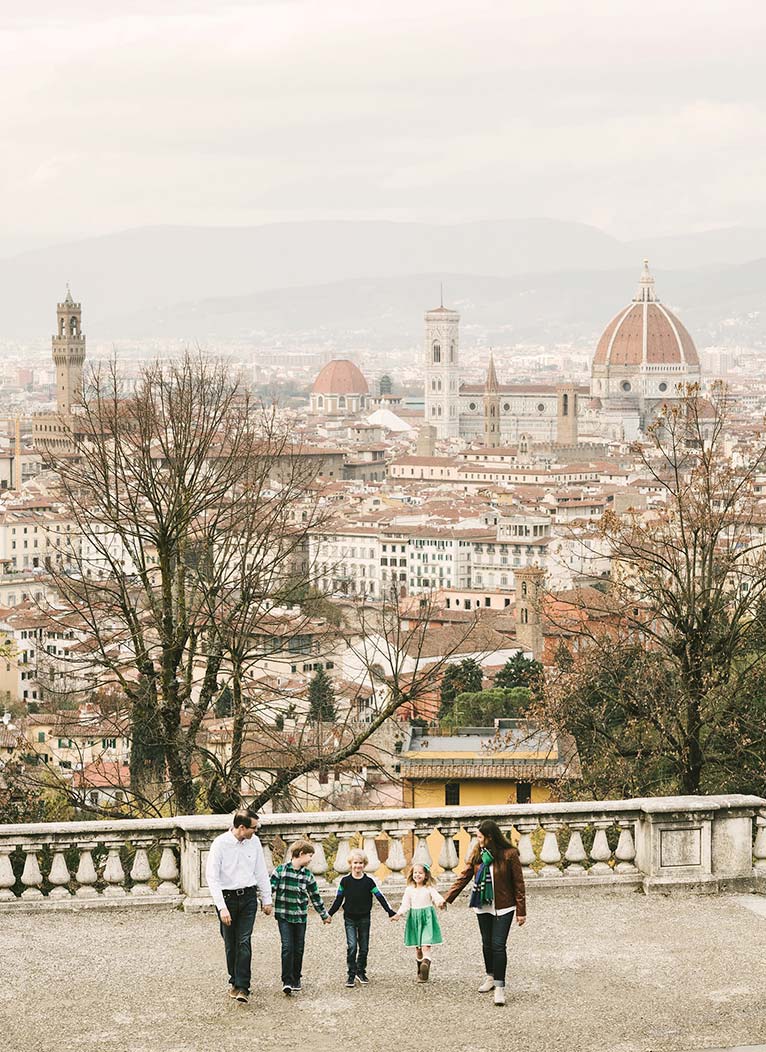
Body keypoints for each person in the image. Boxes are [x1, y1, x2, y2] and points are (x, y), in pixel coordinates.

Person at [443, 819, 527, 1007]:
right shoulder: (478, 853)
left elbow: (519, 884)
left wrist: (521, 911)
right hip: (482, 905)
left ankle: (499, 987)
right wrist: (447, 898)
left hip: (504, 906)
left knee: (498, 945)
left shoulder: (510, 854)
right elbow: (464, 876)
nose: (478, 840)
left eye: (480, 837)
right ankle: (490, 976)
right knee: (487, 944)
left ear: (490, 837)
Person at [205, 810, 273, 1005]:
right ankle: (234, 980)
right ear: (241, 827)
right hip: (227, 898)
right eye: (254, 827)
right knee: (230, 942)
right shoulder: (220, 844)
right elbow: (212, 877)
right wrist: (221, 907)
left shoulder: (255, 842)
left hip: (249, 897)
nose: (256, 831)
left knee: (244, 941)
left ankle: (243, 985)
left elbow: (261, 870)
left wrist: (266, 898)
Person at [328, 848, 396, 987]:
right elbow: (338, 899)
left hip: (364, 918)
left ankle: (361, 971)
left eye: (360, 863)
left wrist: (390, 912)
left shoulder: (369, 882)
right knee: (352, 946)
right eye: (355, 863)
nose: (358, 866)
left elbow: (380, 897)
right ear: (350, 864)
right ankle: (351, 974)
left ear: (364, 864)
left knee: (364, 947)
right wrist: (329, 914)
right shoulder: (345, 881)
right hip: (349, 919)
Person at [271, 839, 331, 995]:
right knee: (287, 947)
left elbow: (315, 897)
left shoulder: (308, 876)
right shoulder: (280, 870)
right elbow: (270, 888)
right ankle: (287, 980)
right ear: (301, 854)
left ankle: (296, 977)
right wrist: (264, 902)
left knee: (298, 948)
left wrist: (324, 915)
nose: (311, 859)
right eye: (310, 855)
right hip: (284, 915)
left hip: (300, 917)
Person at [391, 862, 445, 982]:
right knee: (418, 949)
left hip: (427, 919)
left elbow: (437, 897)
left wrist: (441, 903)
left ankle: (425, 965)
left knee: (425, 946)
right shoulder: (409, 890)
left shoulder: (428, 888)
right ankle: (420, 970)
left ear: (426, 875)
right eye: (415, 872)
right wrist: (398, 914)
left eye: (420, 873)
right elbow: (405, 905)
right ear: (412, 875)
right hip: (414, 920)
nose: (417, 875)